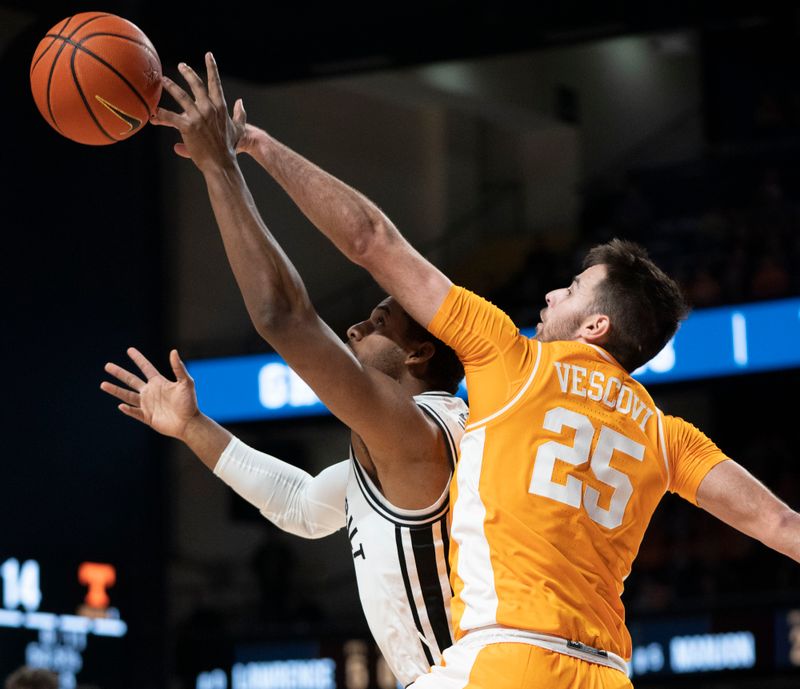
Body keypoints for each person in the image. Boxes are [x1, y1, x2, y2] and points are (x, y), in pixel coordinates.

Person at [173, 55, 800, 688]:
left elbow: (370, 241)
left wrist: (248, 146)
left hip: (506, 659)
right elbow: (779, 525)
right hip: (607, 673)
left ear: (595, 326)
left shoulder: (510, 360)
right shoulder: (670, 436)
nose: (552, 295)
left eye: (574, 288)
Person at [101, 56, 467, 687]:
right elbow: (300, 505)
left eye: (377, 322)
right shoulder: (401, 447)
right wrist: (194, 429)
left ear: (419, 355)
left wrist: (220, 165)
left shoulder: (418, 437)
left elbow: (283, 316)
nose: (354, 328)